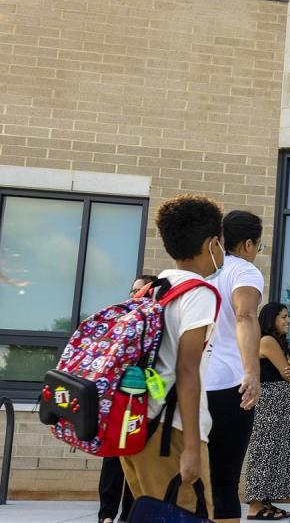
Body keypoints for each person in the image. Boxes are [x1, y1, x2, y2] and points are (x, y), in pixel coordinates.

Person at [119, 194, 224, 514]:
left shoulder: (152, 289)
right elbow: (187, 370)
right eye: (220, 243)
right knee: (188, 514)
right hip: (172, 432)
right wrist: (192, 448)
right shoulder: (198, 293)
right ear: (211, 243)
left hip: (134, 425)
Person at [204, 210, 264, 523]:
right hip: (229, 385)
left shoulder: (202, 272)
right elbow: (245, 316)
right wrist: (252, 372)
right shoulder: (245, 272)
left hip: (192, 383)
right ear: (249, 243)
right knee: (224, 480)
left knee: (193, 478)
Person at [97, 274, 156, 523]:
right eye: (133, 291)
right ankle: (106, 515)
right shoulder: (123, 321)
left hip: (145, 404)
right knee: (113, 458)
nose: (134, 295)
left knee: (137, 462)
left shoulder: (157, 323)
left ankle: (129, 516)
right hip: (119, 402)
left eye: (140, 291)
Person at [244, 303, 290, 520]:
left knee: (276, 453)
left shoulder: (279, 343)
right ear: (271, 319)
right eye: (284, 317)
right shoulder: (267, 341)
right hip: (268, 404)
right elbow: (289, 374)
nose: (288, 320)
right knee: (263, 452)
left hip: (280, 405)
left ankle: (265, 502)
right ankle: (254, 506)